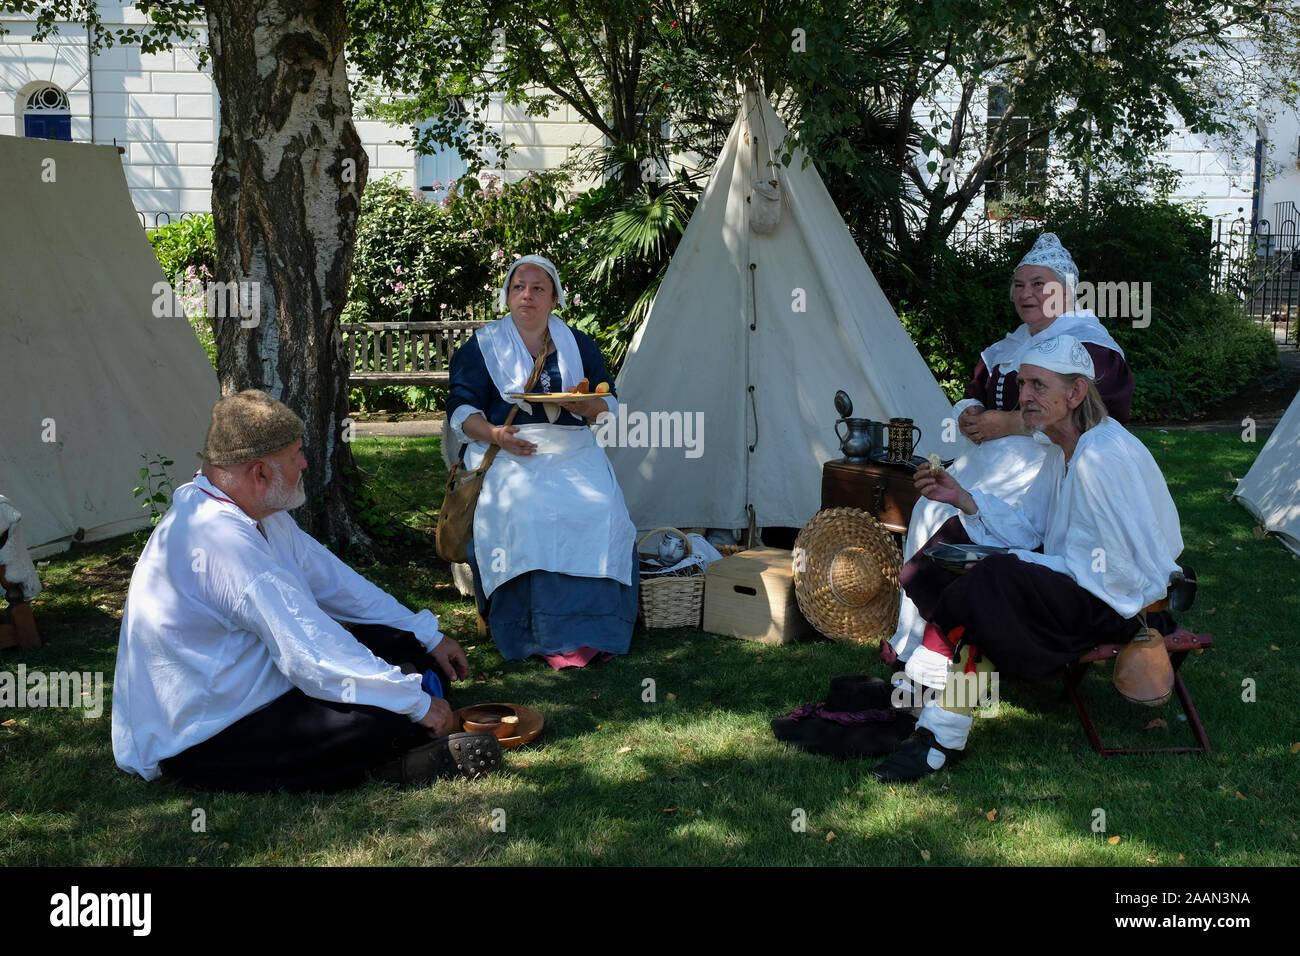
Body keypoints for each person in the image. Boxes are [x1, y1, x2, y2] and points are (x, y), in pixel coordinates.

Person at [111, 390, 502, 792]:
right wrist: (417, 705)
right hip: (206, 735)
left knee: (407, 650)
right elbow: (309, 654)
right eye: (295, 455)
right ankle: (397, 757)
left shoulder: (258, 513)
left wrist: (427, 634)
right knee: (382, 716)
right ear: (260, 473)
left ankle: (404, 734)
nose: (304, 463)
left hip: (265, 692)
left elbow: (336, 584)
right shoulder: (220, 541)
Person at [872, 334, 1183, 782]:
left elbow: (1116, 571)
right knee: (946, 556)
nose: (1025, 399)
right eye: (1023, 385)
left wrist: (1018, 563)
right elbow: (1034, 529)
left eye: (1039, 386)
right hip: (1084, 586)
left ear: (1076, 393)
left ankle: (940, 738)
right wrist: (964, 498)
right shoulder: (1063, 449)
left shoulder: (1103, 458)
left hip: (1122, 606)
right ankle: (926, 702)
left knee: (994, 581)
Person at [886, 233, 1134, 664]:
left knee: (954, 519)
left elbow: (1096, 414)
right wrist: (969, 412)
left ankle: (950, 642)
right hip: (988, 463)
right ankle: (917, 636)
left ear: (1066, 289)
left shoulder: (1089, 343)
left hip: (1043, 468)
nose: (1026, 294)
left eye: (1039, 284)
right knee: (929, 509)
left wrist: (1012, 423)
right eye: (1019, 285)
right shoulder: (1010, 345)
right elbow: (977, 390)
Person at [447, 254, 638, 669]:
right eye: (519, 287)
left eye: (537, 288)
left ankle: (598, 628)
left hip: (572, 449)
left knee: (600, 507)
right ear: (507, 295)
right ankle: (534, 631)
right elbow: (461, 410)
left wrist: (585, 405)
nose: (527, 296)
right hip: (507, 450)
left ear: (554, 297)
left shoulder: (579, 343)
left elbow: (608, 403)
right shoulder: (482, 346)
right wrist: (497, 434)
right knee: (527, 511)